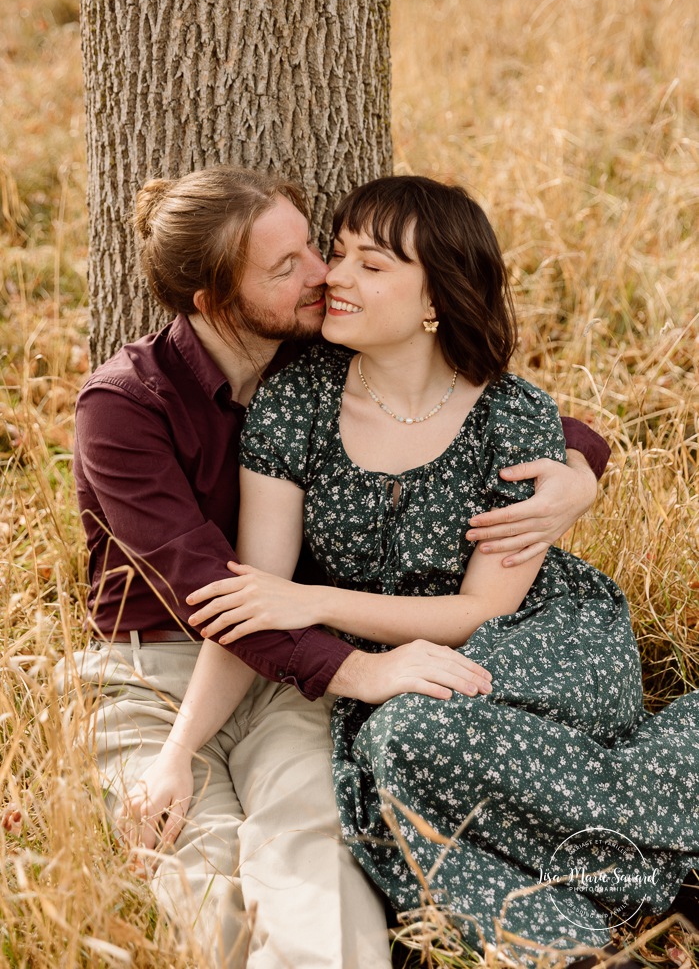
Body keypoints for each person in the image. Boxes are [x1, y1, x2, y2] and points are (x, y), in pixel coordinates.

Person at [66, 166, 608, 968]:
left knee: (313, 847)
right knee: (201, 866)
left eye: (312, 248)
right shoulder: (125, 408)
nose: (324, 276)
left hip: (292, 666)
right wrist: (356, 672)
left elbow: (461, 394)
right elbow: (224, 599)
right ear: (217, 301)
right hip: (157, 677)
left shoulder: (313, 349)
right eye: (286, 268)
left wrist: (580, 467)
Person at [175, 176, 699, 965]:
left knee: (407, 743)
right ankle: (589, 925)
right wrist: (179, 752)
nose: (335, 278)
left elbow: (479, 610)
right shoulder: (296, 402)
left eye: (371, 265)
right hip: (407, 666)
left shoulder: (510, 414)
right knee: (389, 768)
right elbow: (256, 599)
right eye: (339, 252)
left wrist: (307, 599)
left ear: (435, 299)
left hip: (539, 642)